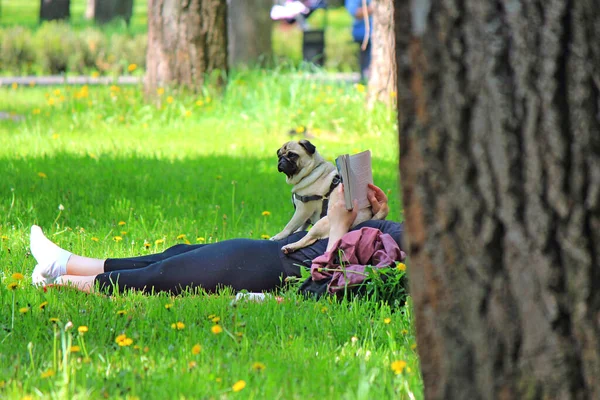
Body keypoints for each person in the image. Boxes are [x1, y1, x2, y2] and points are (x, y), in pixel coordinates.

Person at [30, 184, 403, 295]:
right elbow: (368, 256)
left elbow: (327, 280)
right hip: (271, 257)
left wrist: (339, 225)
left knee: (162, 276)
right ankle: (63, 263)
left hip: (273, 268)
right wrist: (375, 221)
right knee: (175, 256)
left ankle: (59, 281)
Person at [345, 0, 372, 82]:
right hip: (363, 33)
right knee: (366, 63)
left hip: (372, 33)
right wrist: (373, 9)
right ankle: (365, 79)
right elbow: (354, 12)